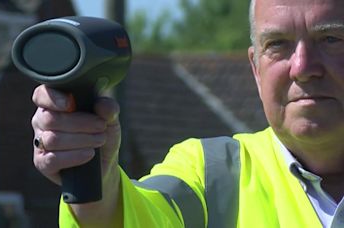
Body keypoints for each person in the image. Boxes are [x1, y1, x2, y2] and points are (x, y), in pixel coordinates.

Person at [30, 0, 344, 227]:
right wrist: (96, 181)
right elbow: (139, 217)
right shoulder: (210, 173)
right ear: (256, 69)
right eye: (277, 44)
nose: (302, 68)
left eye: (330, 40)